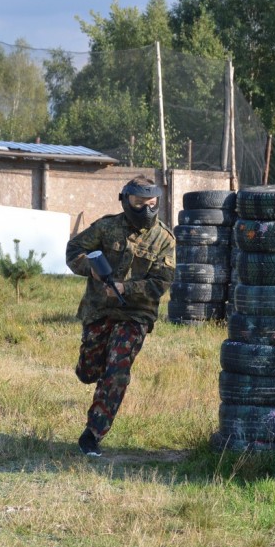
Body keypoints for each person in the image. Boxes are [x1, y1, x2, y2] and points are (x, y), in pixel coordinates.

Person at [65, 175, 176, 456]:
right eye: (139, 203)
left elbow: (160, 283)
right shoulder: (107, 227)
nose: (146, 210)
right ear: (126, 201)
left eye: (152, 204)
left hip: (136, 315)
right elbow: (74, 250)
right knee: (89, 372)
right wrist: (90, 269)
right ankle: (91, 371)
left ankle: (93, 434)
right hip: (99, 309)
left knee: (117, 371)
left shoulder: (164, 239)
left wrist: (127, 288)